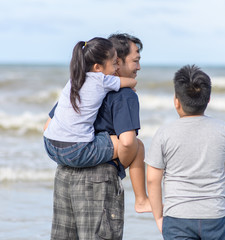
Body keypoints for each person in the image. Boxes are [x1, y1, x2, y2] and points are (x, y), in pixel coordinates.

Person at [47, 33, 150, 240]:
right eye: (136, 60)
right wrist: (123, 161)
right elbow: (127, 142)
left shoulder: (78, 84)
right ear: (117, 62)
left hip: (64, 173)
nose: (138, 67)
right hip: (98, 179)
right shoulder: (124, 94)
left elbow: (49, 124)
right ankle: (142, 199)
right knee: (137, 145)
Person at [146, 65, 225, 240]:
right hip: (214, 215)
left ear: (176, 101)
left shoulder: (164, 133)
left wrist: (159, 216)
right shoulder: (223, 130)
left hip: (177, 216)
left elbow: (152, 179)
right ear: (209, 99)